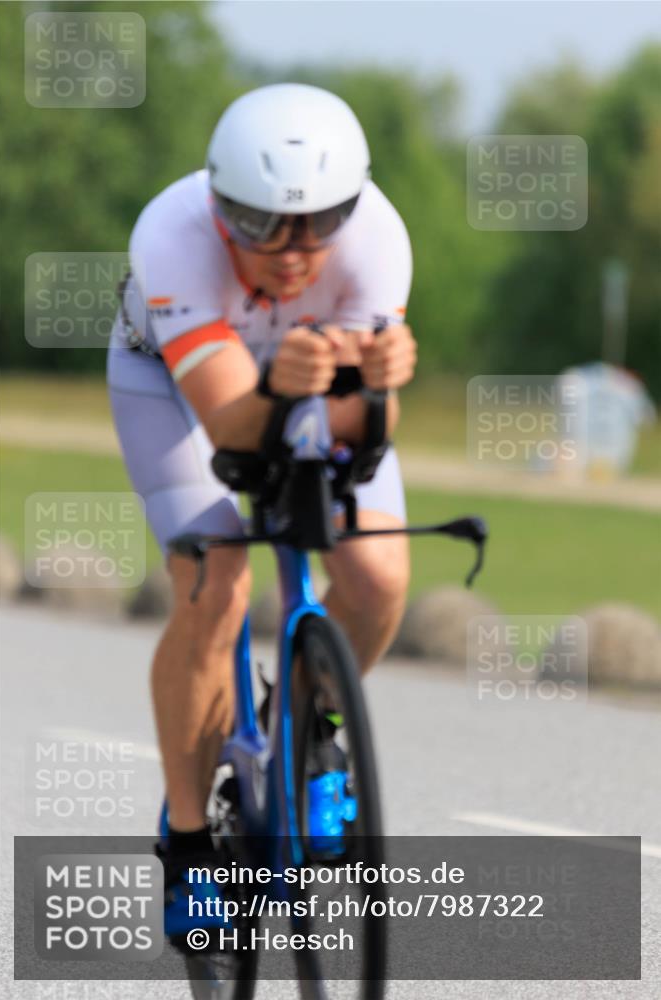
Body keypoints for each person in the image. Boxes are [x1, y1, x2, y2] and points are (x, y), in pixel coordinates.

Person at [106, 82, 417, 944]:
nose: (291, 251)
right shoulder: (172, 237)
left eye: (319, 222)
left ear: (349, 207)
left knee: (379, 572)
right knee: (217, 583)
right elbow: (234, 432)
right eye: (258, 223)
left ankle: (311, 724)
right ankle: (190, 845)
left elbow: (356, 433)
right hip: (176, 390)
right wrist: (288, 384)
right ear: (217, 204)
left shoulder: (377, 242)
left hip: (300, 386)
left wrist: (379, 388)